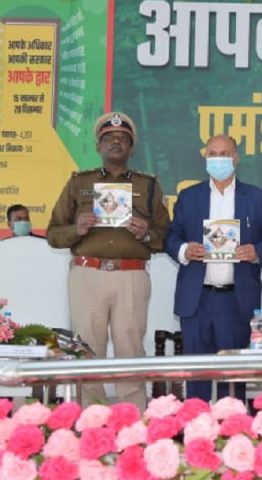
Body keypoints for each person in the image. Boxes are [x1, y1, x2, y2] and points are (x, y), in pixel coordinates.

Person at [46, 111, 170, 407]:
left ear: (131, 148)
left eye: (123, 138)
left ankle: (134, 418)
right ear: (98, 146)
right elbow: (53, 234)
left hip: (131, 276)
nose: (116, 142)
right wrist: (76, 229)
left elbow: (166, 236)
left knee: (130, 348)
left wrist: (146, 234)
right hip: (88, 275)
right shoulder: (79, 182)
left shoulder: (148, 185)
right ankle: (92, 417)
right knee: (88, 349)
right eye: (109, 138)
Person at [164, 134, 262, 401]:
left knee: (233, 381)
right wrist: (184, 250)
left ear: (236, 158)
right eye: (212, 154)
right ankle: (197, 426)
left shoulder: (256, 197)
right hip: (197, 299)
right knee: (197, 378)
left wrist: (257, 252)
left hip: (236, 300)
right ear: (205, 158)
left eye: (224, 154)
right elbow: (170, 237)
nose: (218, 159)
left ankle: (233, 426)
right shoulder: (189, 197)